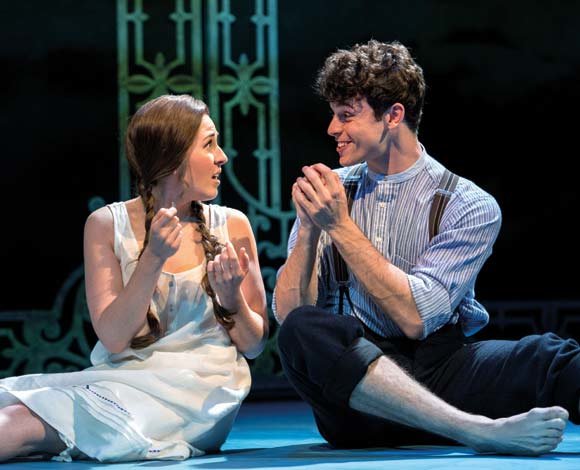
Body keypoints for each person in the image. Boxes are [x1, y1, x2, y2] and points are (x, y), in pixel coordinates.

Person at [273, 39, 578, 456]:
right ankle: (473, 430)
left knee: (551, 357)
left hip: (440, 372)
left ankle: (453, 422)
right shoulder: (330, 194)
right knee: (305, 329)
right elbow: (291, 316)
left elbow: (416, 319)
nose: (332, 128)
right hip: (360, 396)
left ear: (393, 115)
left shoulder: (468, 204)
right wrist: (310, 231)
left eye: (346, 115)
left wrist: (340, 226)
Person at [0, 94, 268, 462]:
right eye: (209, 144)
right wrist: (152, 259)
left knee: (19, 425)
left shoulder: (232, 225)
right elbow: (113, 338)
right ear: (172, 157)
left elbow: (254, 346)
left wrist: (233, 299)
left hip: (200, 397)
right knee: (12, 410)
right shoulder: (106, 225)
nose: (222, 156)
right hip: (124, 381)